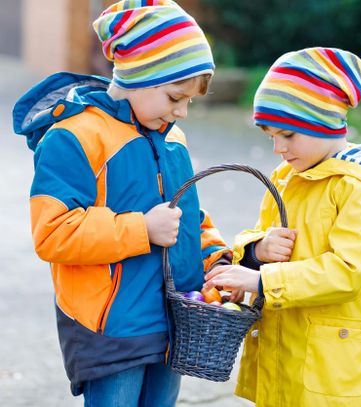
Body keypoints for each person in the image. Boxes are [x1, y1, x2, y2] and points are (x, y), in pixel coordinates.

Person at [12, 1, 232, 405]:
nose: (181, 111)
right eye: (173, 97)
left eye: (188, 102)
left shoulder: (171, 138)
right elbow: (53, 233)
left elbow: (190, 221)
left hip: (174, 318)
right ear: (139, 76)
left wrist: (217, 260)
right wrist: (141, 230)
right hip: (112, 327)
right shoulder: (73, 138)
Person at [204, 47, 361, 406]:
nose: (277, 149)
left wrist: (261, 281)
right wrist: (255, 253)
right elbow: (261, 231)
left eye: (287, 135)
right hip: (282, 346)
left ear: (323, 122)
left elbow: (347, 273)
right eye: (270, 136)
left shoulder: (355, 188)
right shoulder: (287, 177)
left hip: (328, 360)